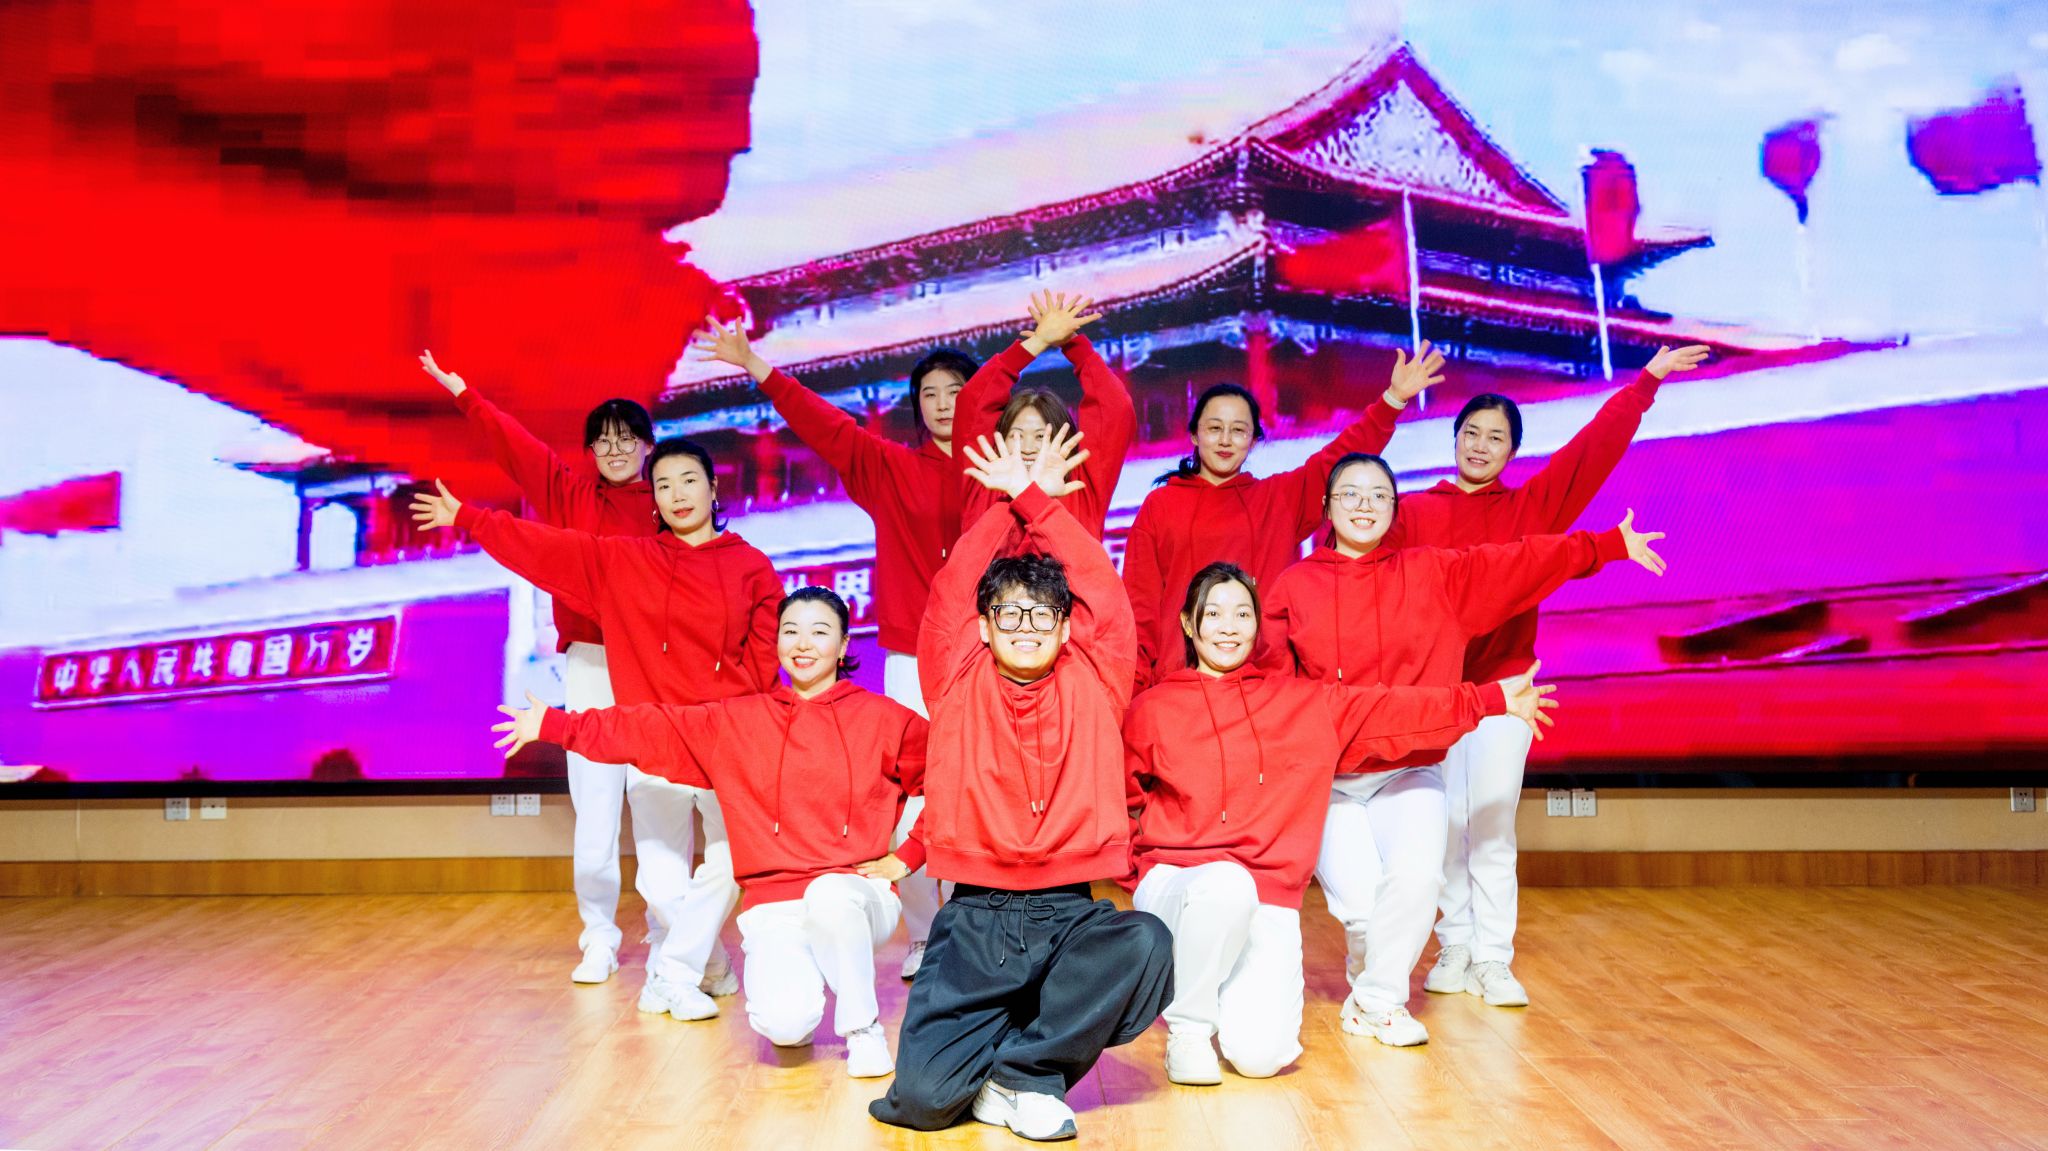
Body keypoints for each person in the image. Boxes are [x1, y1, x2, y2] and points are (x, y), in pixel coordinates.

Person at [1263, 452, 1668, 1046]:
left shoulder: (1432, 574)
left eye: (1379, 495)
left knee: (1417, 882)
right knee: (1365, 913)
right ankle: (1370, 972)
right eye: (1350, 493)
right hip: (1331, 777)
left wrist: (1602, 546)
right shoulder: (1294, 586)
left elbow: (1515, 562)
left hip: (1409, 769)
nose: (1364, 505)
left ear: (1395, 509)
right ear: (1326, 506)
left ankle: (1377, 1003)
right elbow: (1275, 689)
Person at [1124, 561, 1555, 1085]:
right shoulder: (1153, 709)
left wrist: (1492, 700)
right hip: (1183, 885)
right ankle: (1189, 1031)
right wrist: (1136, 877)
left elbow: (1391, 709)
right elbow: (1119, 799)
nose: (1228, 627)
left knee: (1262, 1058)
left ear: (1258, 625)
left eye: (1242, 614)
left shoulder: (1299, 703)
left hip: (1266, 897)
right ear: (1189, 624)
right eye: (1213, 614)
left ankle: (1214, 976)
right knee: (1225, 885)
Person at [411, 437, 782, 1021]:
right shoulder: (627, 561)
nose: (677, 494)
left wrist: (748, 716)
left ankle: (674, 974)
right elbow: (545, 548)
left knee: (732, 863)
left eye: (689, 480)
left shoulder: (750, 565)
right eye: (663, 485)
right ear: (652, 500)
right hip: (654, 735)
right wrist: (471, 518)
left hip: (727, 736)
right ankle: (705, 964)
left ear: (714, 488)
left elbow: (767, 652)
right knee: (660, 882)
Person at [871, 430, 1173, 1142]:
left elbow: (1104, 592)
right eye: (1009, 612)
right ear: (983, 626)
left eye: (1043, 614)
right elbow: (952, 588)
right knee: (923, 1102)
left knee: (1148, 942)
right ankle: (1003, 1046)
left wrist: (1041, 502)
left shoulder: (1097, 679)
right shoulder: (955, 678)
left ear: (1067, 629)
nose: (1026, 625)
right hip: (977, 917)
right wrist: (1008, 502)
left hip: (1067, 910)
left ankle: (1024, 1072)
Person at [1384, 344, 1707, 1008]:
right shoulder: (1412, 512)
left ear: (1512, 451)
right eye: (1471, 433)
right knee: (1444, 824)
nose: (1480, 445)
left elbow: (1592, 451)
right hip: (1434, 694)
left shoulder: (1532, 507)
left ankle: (1493, 959)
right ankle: (1455, 945)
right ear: (1453, 439)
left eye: (1496, 438)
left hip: (1508, 690)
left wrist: (1646, 382)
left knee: (1491, 823)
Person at [491, 588, 927, 1078]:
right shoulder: (740, 722)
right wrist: (556, 726)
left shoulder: (884, 719)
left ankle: (863, 1030)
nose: (803, 644)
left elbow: (952, 776)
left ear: (844, 645)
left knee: (831, 897)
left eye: (819, 632)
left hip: (855, 894)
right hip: (775, 904)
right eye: (790, 631)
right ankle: (803, 991)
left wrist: (909, 856)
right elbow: (648, 729)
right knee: (784, 1026)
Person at [686, 322, 997, 978]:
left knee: (985, 789)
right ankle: (925, 934)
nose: (944, 403)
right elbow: (824, 425)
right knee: (914, 796)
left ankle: (981, 930)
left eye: (958, 391)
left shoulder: (1002, 474)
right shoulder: (891, 468)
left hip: (992, 656)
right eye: (931, 394)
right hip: (913, 657)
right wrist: (756, 365)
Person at [420, 349, 681, 986]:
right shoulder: (570, 495)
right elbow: (520, 449)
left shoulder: (671, 502)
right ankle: (599, 937)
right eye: (603, 441)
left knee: (658, 806)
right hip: (591, 664)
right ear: (590, 451)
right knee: (596, 809)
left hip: (658, 669)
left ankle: (671, 939)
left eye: (627, 438)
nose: (616, 450)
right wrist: (466, 396)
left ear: (648, 446)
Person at [1122, 342, 1447, 690]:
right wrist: (1136, 690)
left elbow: (1336, 463)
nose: (1225, 440)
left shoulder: (1277, 499)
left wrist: (1392, 400)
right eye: (1215, 428)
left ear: (1254, 440)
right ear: (1194, 434)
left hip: (1264, 685)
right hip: (1179, 685)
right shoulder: (1161, 505)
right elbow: (1139, 607)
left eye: (1239, 430)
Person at [953, 292, 1134, 540]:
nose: (1028, 448)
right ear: (998, 441)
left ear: (1063, 441)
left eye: (1041, 437)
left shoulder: (1080, 485)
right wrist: (1038, 341)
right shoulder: (983, 481)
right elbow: (972, 402)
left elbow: (1114, 407)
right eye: (1016, 436)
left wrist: (1071, 343)